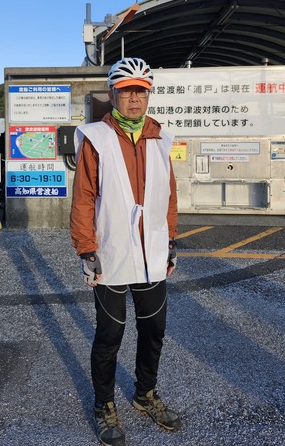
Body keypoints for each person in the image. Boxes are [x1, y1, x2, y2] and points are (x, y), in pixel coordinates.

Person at [70, 57, 181, 446]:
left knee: (154, 328)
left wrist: (170, 240)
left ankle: (145, 394)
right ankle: (104, 404)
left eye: (141, 92)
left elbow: (168, 195)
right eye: (126, 91)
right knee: (109, 333)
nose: (134, 99)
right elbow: (83, 197)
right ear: (113, 94)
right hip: (111, 250)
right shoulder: (96, 138)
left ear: (149, 95)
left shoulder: (160, 138)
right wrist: (86, 248)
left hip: (152, 251)